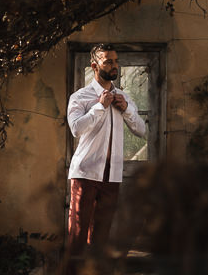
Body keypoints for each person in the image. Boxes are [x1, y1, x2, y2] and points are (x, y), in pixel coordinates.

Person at [64, 44, 146, 272]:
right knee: (78, 236)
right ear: (94, 66)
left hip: (112, 176)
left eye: (116, 61)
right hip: (85, 173)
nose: (114, 66)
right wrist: (99, 107)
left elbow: (141, 130)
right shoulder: (80, 97)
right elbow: (75, 128)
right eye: (108, 61)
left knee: (100, 238)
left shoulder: (123, 97)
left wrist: (127, 108)